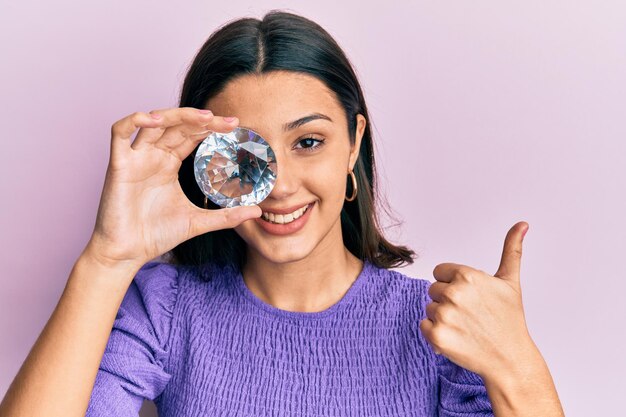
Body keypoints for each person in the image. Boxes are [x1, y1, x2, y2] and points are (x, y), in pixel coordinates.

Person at [0, 10, 565, 417]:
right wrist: (107, 259)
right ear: (204, 164)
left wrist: (519, 366)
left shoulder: (440, 326)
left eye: (309, 142)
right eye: (245, 155)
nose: (279, 186)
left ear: (353, 144)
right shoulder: (165, 308)